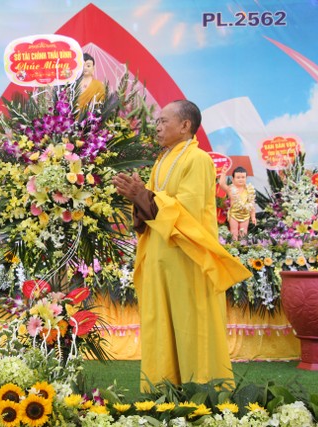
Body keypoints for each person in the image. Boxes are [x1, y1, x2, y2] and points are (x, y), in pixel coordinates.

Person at [112, 100, 251, 391]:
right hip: (160, 257)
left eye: (164, 121)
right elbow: (152, 208)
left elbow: (187, 211)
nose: (157, 127)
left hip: (187, 258)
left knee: (191, 325)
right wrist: (139, 197)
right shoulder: (163, 160)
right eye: (158, 121)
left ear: (185, 125)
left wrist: (143, 196)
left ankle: (201, 391)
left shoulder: (197, 159)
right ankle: (163, 389)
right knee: (161, 323)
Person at [218, 165, 256, 240]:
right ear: (233, 179)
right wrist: (223, 173)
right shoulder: (230, 189)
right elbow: (222, 184)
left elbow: (252, 204)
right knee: (234, 231)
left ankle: (243, 245)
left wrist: (253, 216)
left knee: (244, 231)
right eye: (238, 177)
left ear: (246, 178)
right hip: (234, 214)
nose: (240, 179)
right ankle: (234, 244)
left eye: (243, 177)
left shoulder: (249, 190)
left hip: (245, 214)